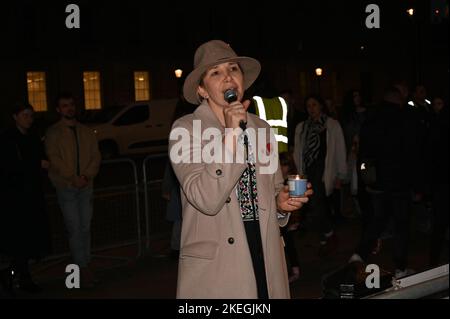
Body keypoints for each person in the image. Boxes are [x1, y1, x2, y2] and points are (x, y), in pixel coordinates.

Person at [169, 40, 312, 299]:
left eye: (233, 69)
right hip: (218, 268)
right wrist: (232, 134)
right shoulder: (186, 130)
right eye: (216, 72)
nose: (228, 78)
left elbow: (274, 189)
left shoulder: (262, 128)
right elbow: (206, 199)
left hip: (265, 255)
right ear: (201, 89)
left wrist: (282, 203)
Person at [45, 93, 101, 288]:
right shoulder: (53, 133)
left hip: (85, 186)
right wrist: (72, 177)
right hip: (66, 187)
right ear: (58, 109)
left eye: (71, 104)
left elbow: (96, 156)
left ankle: (85, 262)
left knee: (85, 227)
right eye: (64, 105)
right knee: (75, 228)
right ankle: (81, 268)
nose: (69, 108)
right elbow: (54, 159)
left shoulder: (86, 131)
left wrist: (85, 176)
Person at [0, 102, 51, 294]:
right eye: (25, 115)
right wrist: (36, 164)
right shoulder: (7, 139)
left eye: (30, 115)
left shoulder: (32, 137)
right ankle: (19, 277)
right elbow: (10, 167)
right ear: (15, 116)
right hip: (14, 198)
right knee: (18, 241)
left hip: (31, 196)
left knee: (28, 240)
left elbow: (38, 158)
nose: (29, 119)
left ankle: (19, 276)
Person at [293, 94, 347, 257]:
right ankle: (326, 238)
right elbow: (298, 151)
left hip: (324, 170)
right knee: (310, 206)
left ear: (321, 106)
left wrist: (340, 174)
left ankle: (328, 236)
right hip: (306, 171)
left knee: (318, 205)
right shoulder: (302, 127)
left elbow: (339, 150)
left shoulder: (332, 125)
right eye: (308, 106)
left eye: (314, 105)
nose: (311, 109)